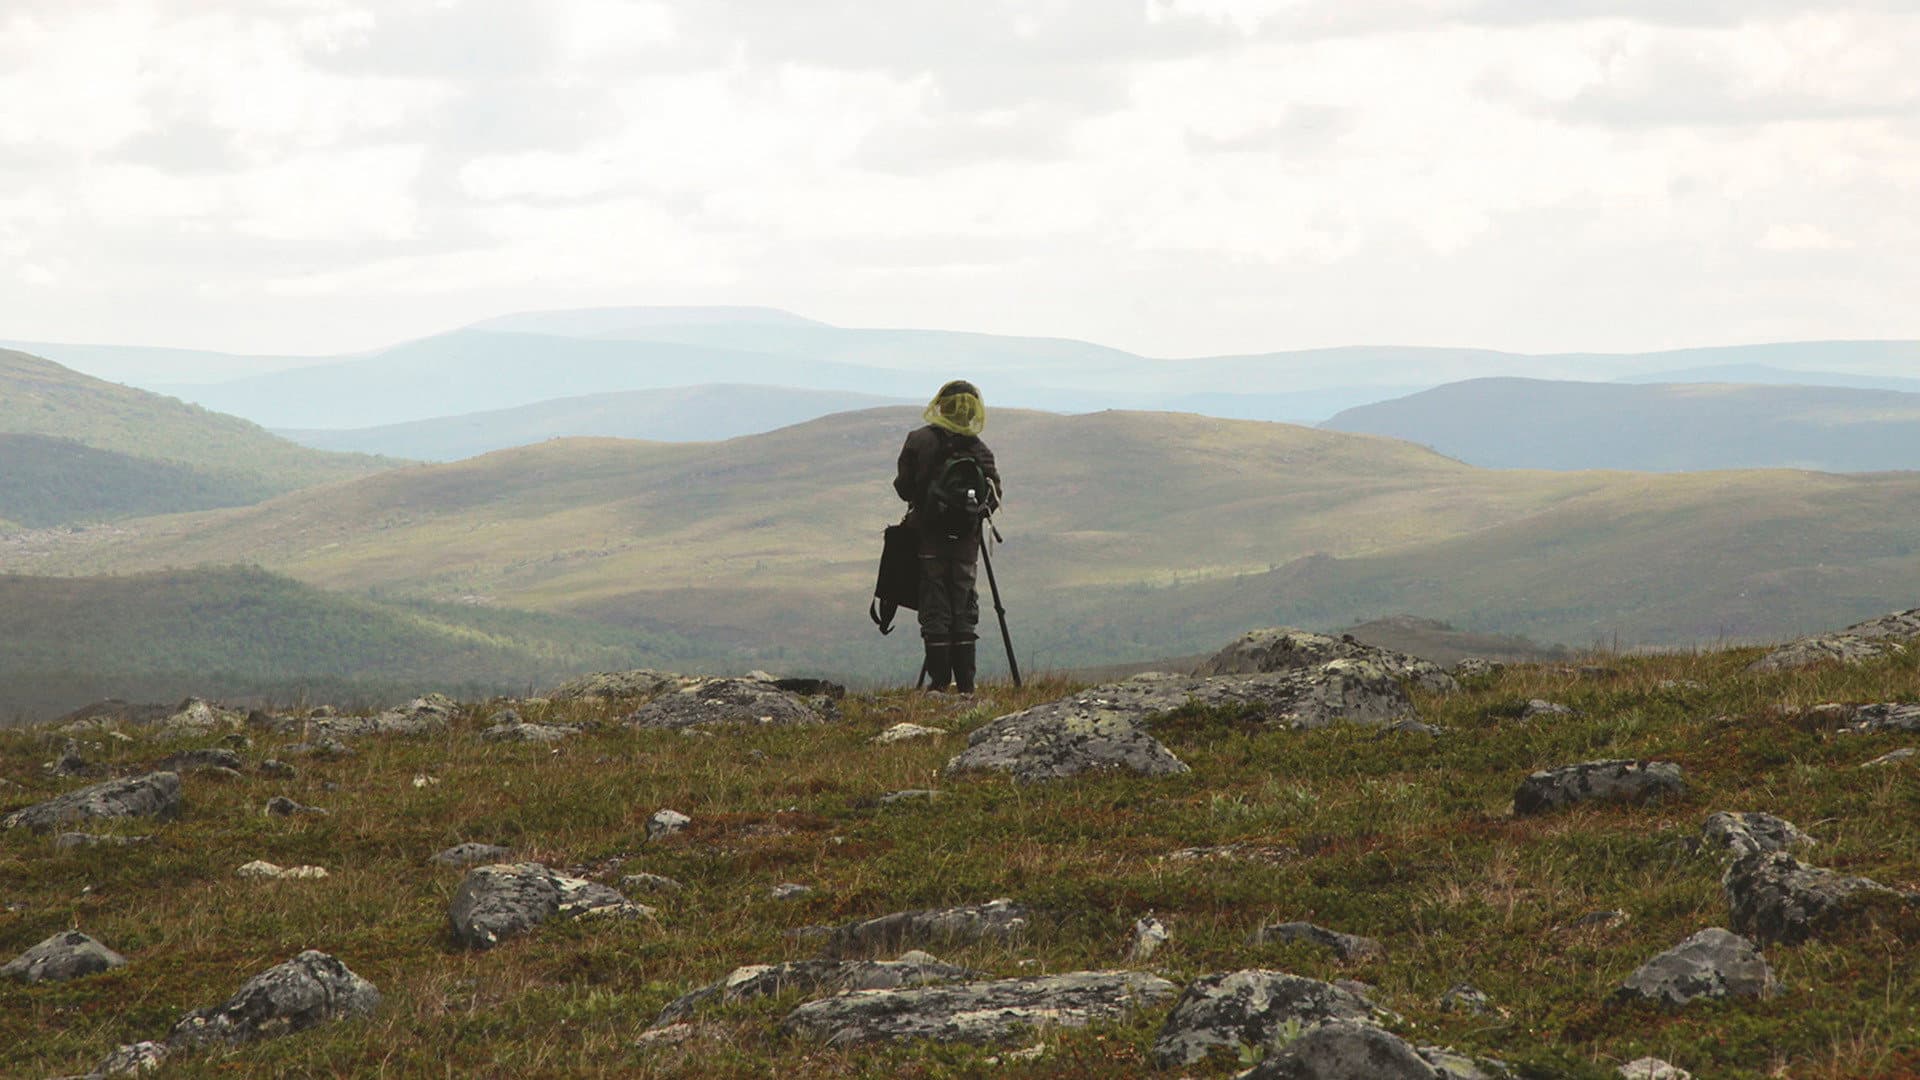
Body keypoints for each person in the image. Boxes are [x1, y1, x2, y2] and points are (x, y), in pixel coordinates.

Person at [894, 379, 1002, 693]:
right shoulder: (980, 449)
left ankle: (939, 683)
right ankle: (967, 683)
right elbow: (993, 497)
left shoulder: (918, 440)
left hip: (928, 540)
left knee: (934, 605)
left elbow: (904, 488)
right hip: (966, 544)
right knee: (964, 603)